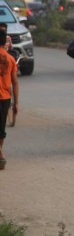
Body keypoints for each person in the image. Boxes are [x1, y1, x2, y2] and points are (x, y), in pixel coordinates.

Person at [0, 28, 18, 170]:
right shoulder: (11, 59)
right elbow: (15, 82)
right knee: (1, 128)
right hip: (5, 98)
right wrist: (16, 103)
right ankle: (0, 151)